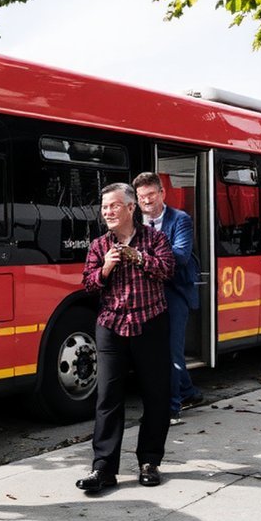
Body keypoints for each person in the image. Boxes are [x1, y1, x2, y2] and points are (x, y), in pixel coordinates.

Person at [78, 183, 175, 493]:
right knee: (107, 397)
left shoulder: (155, 239)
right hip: (111, 326)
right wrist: (105, 268)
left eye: (114, 206)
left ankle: (150, 462)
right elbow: (88, 285)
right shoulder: (98, 245)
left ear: (131, 208)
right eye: (104, 207)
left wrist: (138, 257)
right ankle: (103, 468)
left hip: (150, 323)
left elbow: (168, 270)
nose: (107, 212)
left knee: (156, 395)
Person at [133, 172, 204, 424]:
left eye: (151, 194)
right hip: (145, 293)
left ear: (162, 193)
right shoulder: (134, 221)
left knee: (169, 351)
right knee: (154, 350)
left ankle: (171, 409)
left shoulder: (180, 219)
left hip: (174, 290)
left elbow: (181, 256)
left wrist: (141, 257)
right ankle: (188, 392)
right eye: (141, 197)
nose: (146, 201)